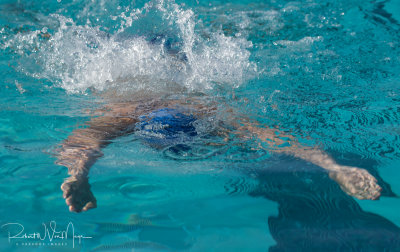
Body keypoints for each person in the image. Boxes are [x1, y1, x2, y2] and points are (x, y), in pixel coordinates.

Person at [55, 93, 382, 212]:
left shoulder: (208, 107)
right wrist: (77, 174)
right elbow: (87, 139)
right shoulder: (124, 112)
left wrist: (336, 167)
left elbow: (271, 135)